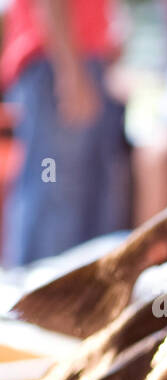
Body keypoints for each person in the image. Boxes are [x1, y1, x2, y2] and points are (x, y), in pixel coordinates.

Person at [2, 0, 130, 266]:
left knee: (85, 206)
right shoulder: (66, 71)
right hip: (57, 62)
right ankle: (36, 304)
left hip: (79, 61)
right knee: (56, 203)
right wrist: (70, 73)